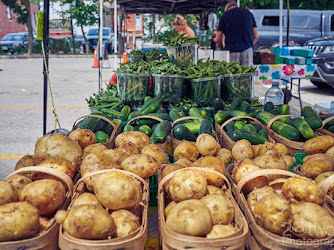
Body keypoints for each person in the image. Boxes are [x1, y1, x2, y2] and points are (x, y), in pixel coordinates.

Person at [214, 1, 259, 66]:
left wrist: (222, 49)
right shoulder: (249, 13)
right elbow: (256, 36)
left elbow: (217, 39)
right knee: (247, 74)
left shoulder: (224, 15)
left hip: (231, 51)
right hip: (247, 50)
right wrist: (249, 45)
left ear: (227, 9)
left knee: (233, 74)